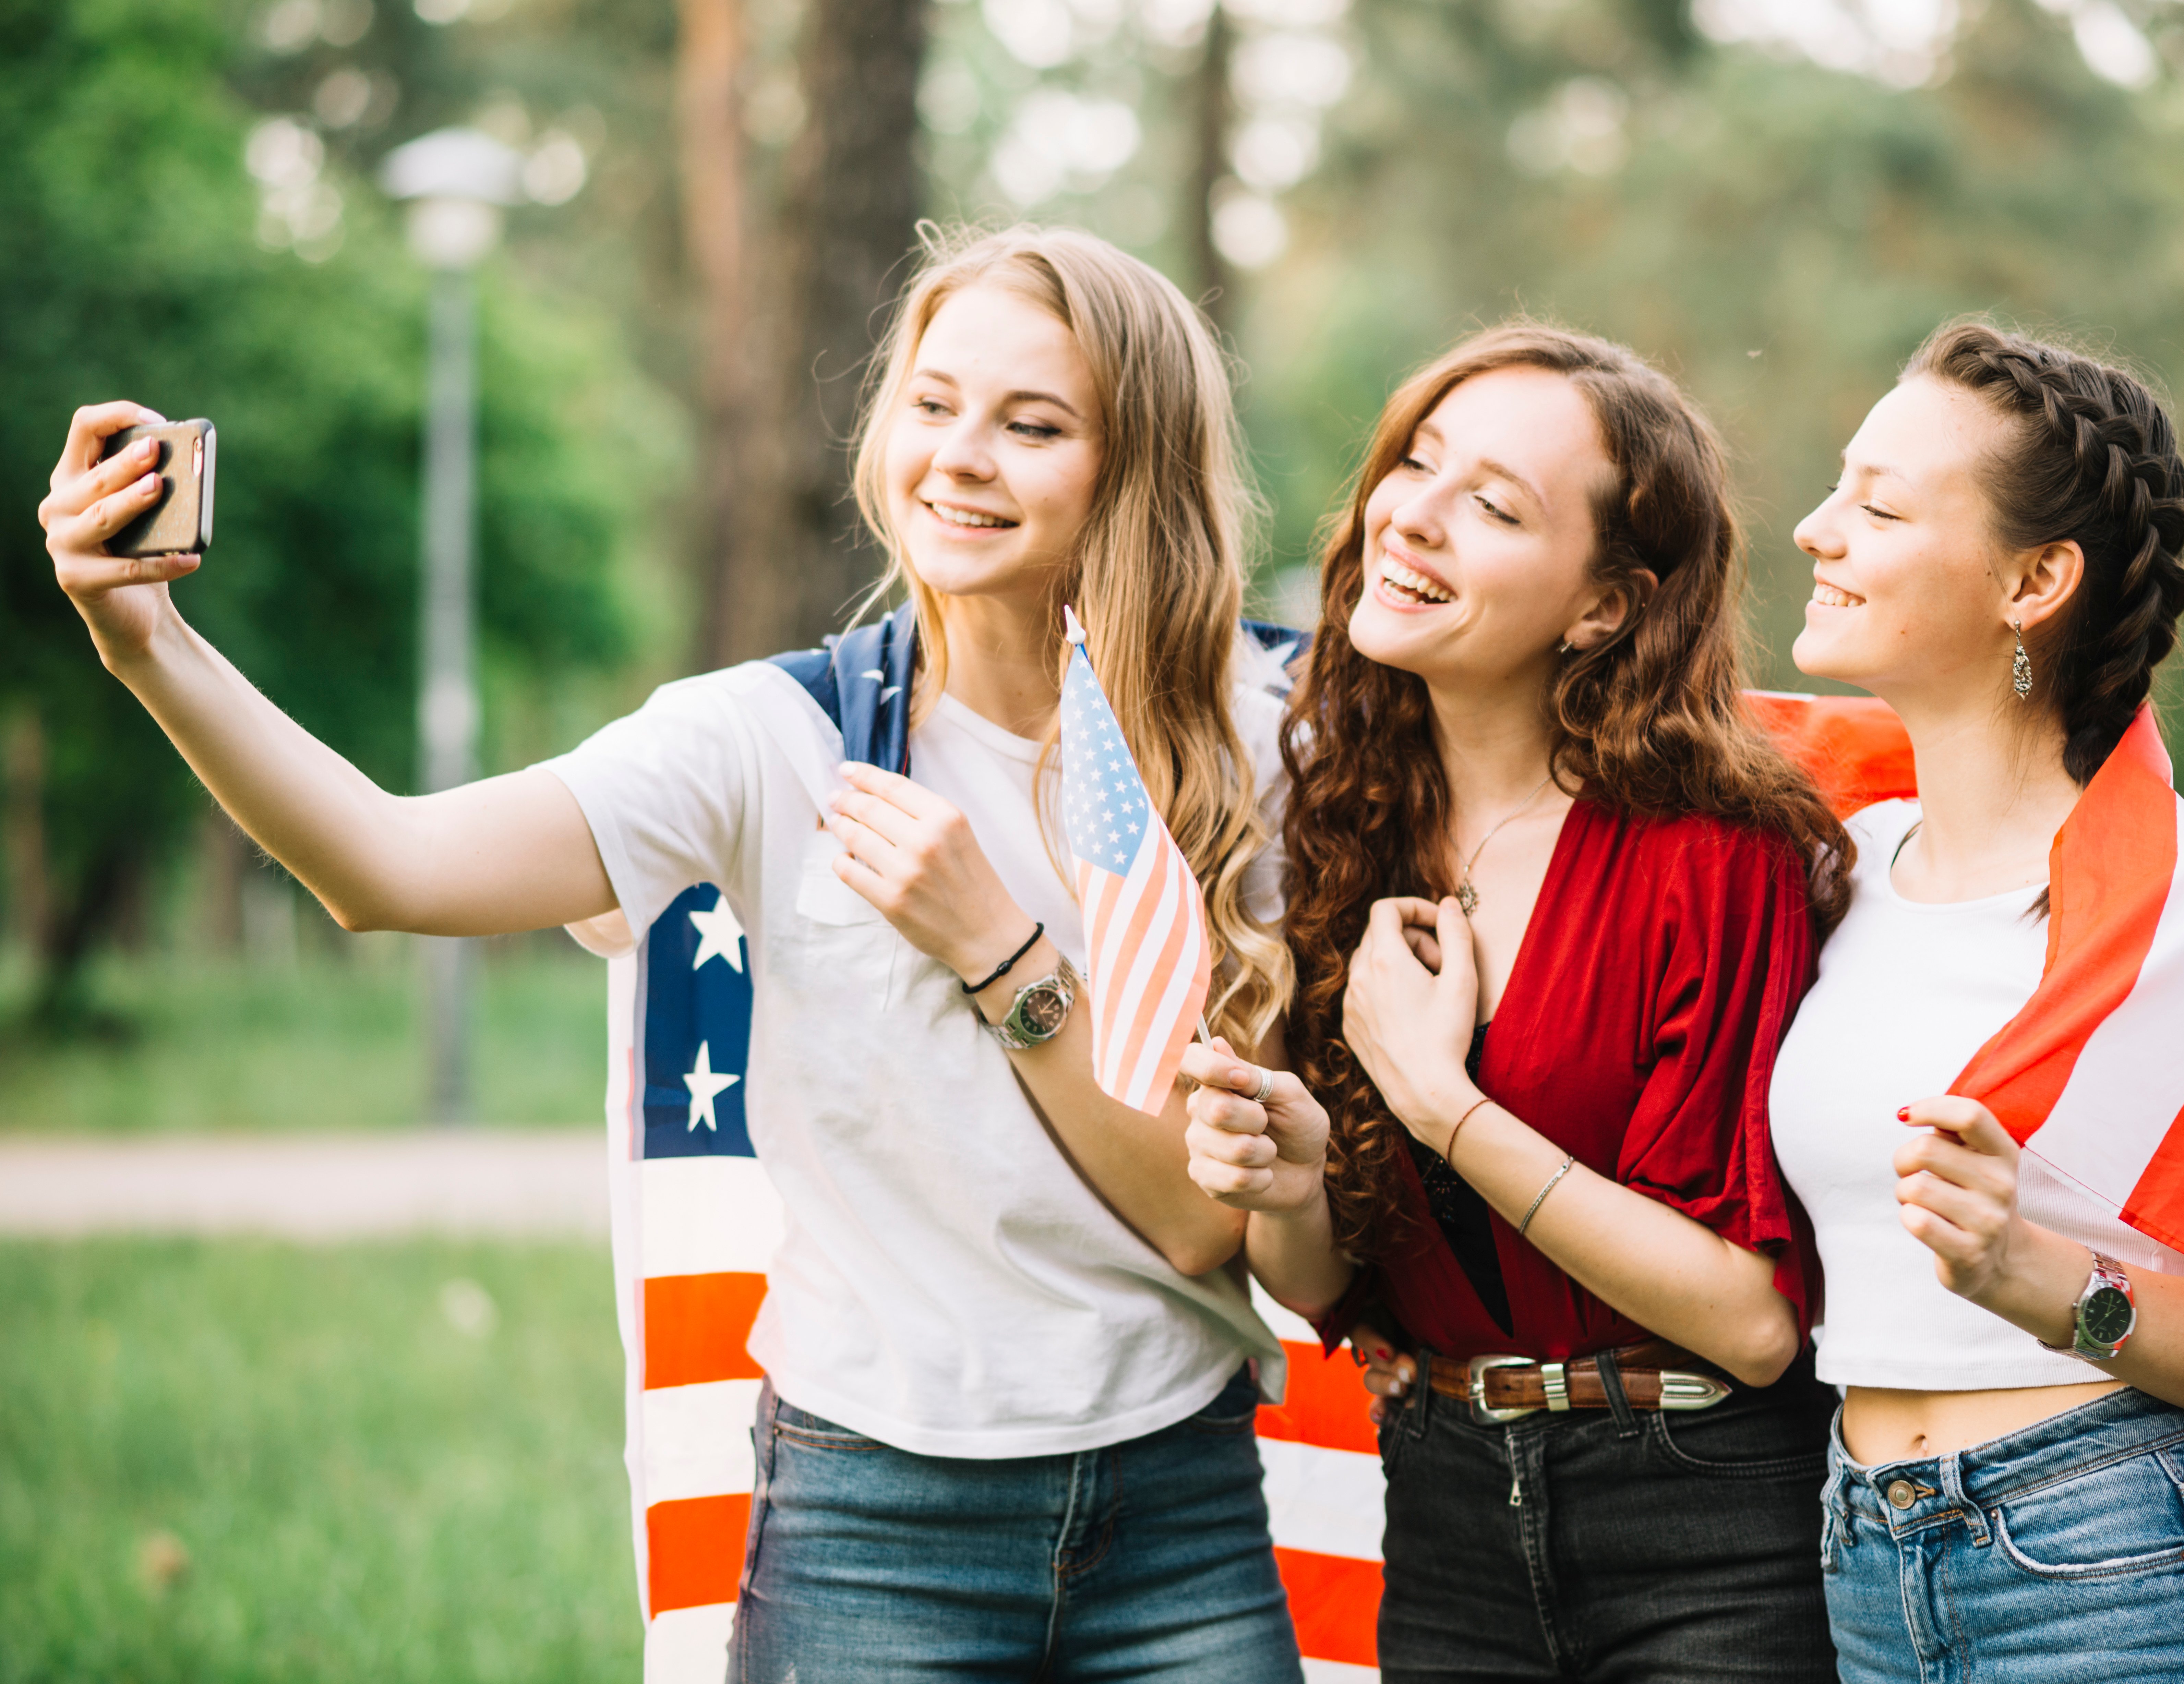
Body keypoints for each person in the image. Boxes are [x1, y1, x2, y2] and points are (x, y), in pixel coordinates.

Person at [38, 225, 1305, 1683]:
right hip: (872, 1522)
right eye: (932, 402)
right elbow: (384, 864)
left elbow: (1207, 1225)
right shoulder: (769, 737)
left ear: (1130, 468)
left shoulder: (1253, 742)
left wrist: (998, 950)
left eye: (1033, 425)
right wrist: (148, 645)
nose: (960, 455)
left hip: (1180, 1513)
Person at [1178, 323, 1851, 1682]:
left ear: (1603, 606)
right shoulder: (1334, 828)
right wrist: (1290, 1181)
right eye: (1415, 464)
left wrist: (1442, 1101)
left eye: (1491, 506)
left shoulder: (1711, 850)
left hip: (1704, 1515)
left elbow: (1750, 1316)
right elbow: (1326, 1288)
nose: (1411, 517)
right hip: (1443, 1501)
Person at [1767, 322, 2184, 1682]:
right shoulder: (1840, 866)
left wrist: (2036, 1277)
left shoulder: (2174, 908)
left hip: (2115, 1562)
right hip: (1865, 1561)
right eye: (1836, 486)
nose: (1815, 528)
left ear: (2035, 579)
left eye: (1878, 504)